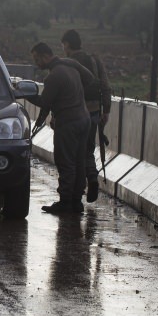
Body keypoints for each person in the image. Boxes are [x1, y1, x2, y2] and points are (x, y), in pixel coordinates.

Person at [29, 42, 92, 214]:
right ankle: (76, 201)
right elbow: (90, 78)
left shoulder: (54, 76)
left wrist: (27, 95)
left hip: (68, 122)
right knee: (79, 162)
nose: (36, 63)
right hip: (84, 119)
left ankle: (65, 202)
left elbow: (44, 102)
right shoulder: (71, 66)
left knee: (66, 162)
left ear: (44, 56)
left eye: (36, 59)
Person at [61, 29, 112, 203]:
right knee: (88, 149)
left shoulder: (68, 63)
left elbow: (63, 91)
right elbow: (105, 86)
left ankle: (74, 194)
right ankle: (91, 178)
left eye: (63, 46)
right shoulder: (94, 60)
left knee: (73, 154)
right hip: (95, 112)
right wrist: (106, 111)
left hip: (74, 114)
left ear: (67, 44)